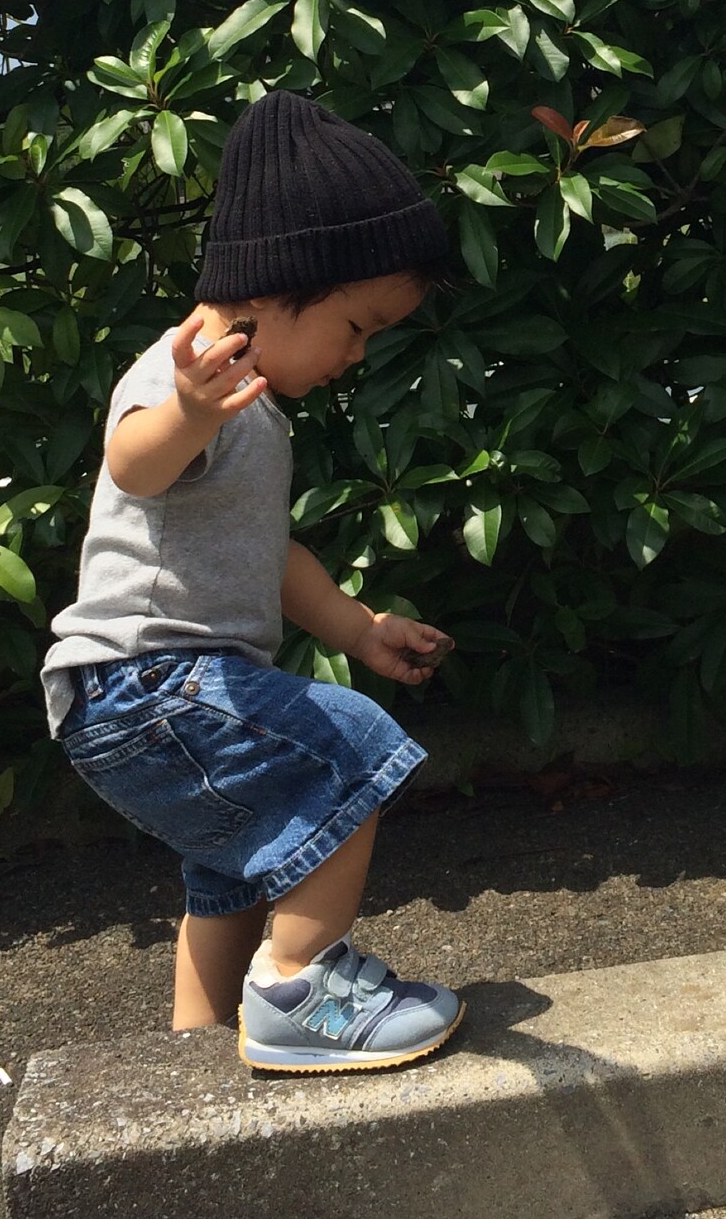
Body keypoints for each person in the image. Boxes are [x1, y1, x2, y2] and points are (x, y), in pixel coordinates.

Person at [41, 89, 464, 1073]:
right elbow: (132, 464)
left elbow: (269, 558)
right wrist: (191, 412)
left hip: (152, 693)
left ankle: (194, 1053)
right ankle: (297, 984)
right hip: (145, 680)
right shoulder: (185, 378)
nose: (357, 355)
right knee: (349, 752)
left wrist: (357, 628)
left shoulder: (249, 408)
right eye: (356, 325)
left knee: (227, 875)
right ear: (274, 286)